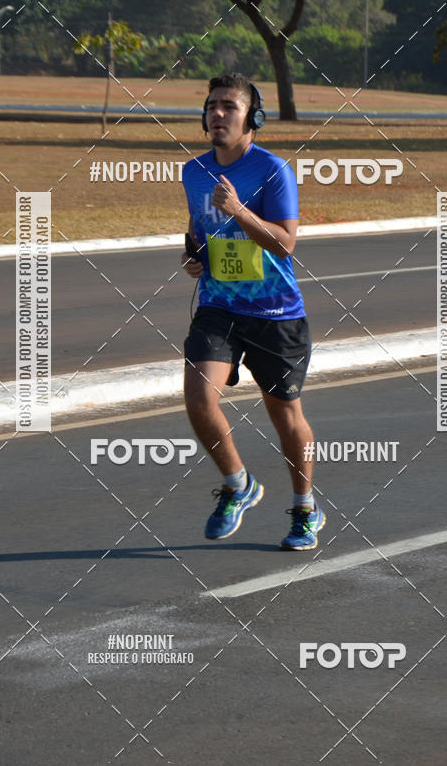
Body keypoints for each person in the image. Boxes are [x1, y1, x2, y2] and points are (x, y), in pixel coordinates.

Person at [181, 72, 325, 550]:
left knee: (285, 417)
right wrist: (193, 255)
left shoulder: (273, 171)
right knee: (199, 398)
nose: (217, 114)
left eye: (229, 107)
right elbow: (198, 228)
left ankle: (304, 508)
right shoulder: (193, 171)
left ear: (252, 119)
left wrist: (240, 211)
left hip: (275, 311)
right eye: (212, 106)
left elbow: (285, 244)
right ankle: (238, 484)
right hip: (219, 305)